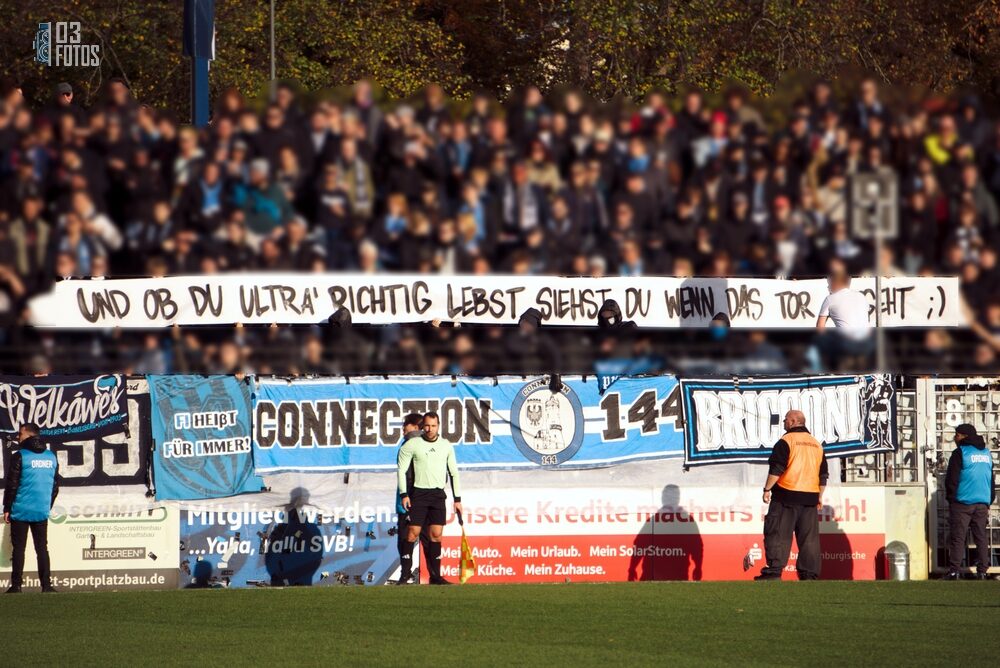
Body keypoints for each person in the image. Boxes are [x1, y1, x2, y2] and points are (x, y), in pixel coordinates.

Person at [755, 410, 828, 581]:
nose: (784, 423)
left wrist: (767, 489)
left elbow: (777, 469)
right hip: (810, 498)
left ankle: (773, 572)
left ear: (794, 421)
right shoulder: (816, 444)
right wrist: (819, 496)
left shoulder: (786, 441)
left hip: (786, 496)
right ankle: (809, 575)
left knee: (778, 534)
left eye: (786, 420)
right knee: (809, 540)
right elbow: (823, 475)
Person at [396, 411, 462, 585]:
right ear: (422, 426)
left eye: (433, 426)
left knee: (436, 535)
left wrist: (457, 499)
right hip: (418, 494)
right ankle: (405, 575)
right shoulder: (412, 444)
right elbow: (401, 470)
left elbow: (454, 472)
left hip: (437, 495)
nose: (430, 429)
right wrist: (404, 494)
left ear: (438, 426)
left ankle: (436, 576)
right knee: (412, 534)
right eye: (427, 425)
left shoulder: (446, 445)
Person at [3, 423, 60, 593]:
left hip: (21, 509)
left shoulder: (19, 456)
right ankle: (47, 585)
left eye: (20, 434)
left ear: (28, 436)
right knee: (42, 548)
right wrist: (46, 505)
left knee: (19, 548)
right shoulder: (51, 456)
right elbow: (55, 486)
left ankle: (16, 585)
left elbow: (12, 484)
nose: (17, 437)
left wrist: (7, 507)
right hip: (41, 510)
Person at [944, 424, 996, 580]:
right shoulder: (986, 453)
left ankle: (954, 571)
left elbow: (952, 479)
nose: (955, 437)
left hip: (962, 501)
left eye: (957, 434)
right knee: (981, 537)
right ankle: (983, 571)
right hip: (982, 501)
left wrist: (951, 498)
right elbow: (991, 479)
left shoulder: (960, 453)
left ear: (964, 436)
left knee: (958, 537)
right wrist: (989, 499)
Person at [393, 413, 429, 584]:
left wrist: (406, 495)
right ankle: (432, 574)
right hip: (425, 498)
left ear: (416, 427)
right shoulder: (430, 444)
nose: (403, 428)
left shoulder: (409, 445)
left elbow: (406, 474)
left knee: (405, 538)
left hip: (409, 499)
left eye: (406, 424)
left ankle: (405, 574)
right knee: (428, 538)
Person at [815, 268, 873, 370]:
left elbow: (820, 327)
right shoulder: (861, 296)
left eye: (830, 281)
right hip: (865, 346)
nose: (828, 286)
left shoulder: (830, 299)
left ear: (836, 282)